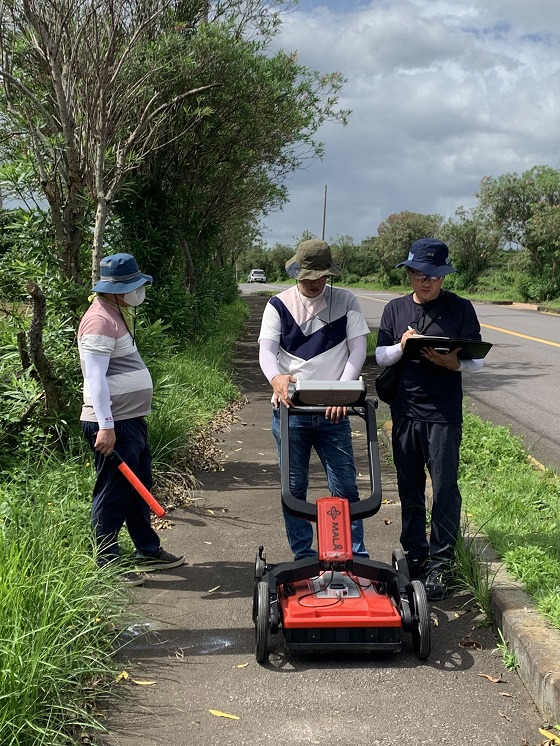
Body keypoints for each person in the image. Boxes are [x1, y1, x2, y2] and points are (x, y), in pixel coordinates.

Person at [375, 238, 483, 601]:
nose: (426, 283)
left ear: (443, 277)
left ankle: (442, 562)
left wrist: (456, 363)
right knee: (408, 485)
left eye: (434, 277)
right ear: (409, 273)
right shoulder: (394, 309)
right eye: (420, 275)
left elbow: (476, 357)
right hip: (404, 409)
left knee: (445, 488)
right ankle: (415, 554)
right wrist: (402, 347)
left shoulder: (460, 308)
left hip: (443, 412)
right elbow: (381, 356)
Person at [258, 238, 370, 560]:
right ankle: (303, 555)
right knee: (294, 489)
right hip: (291, 410)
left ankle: (355, 555)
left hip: (333, 412)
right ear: (296, 272)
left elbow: (358, 349)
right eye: (307, 276)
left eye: (320, 276)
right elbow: (267, 351)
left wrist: (343, 390)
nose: (313, 282)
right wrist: (276, 378)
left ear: (329, 274)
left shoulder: (346, 301)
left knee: (346, 487)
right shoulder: (278, 305)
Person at [78, 253, 184, 585]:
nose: (139, 291)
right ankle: (107, 563)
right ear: (116, 288)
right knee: (112, 494)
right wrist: (106, 426)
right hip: (113, 424)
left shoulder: (114, 313)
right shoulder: (99, 320)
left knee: (138, 489)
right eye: (135, 285)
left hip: (129, 420)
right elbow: (94, 378)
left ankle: (147, 550)